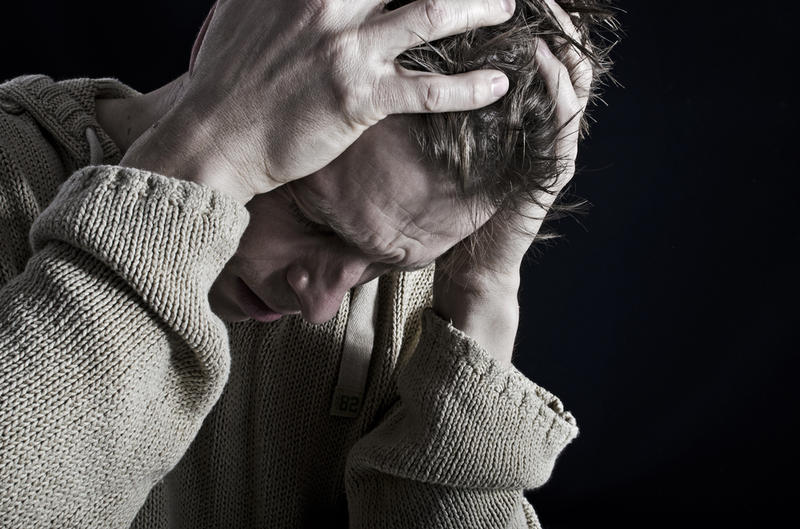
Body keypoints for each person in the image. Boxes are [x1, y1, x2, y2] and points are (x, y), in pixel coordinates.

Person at [0, 0, 617, 527]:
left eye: (384, 266)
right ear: (231, 44)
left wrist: (485, 289)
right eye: (312, 219)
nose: (321, 305)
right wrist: (197, 160)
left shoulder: (425, 303)